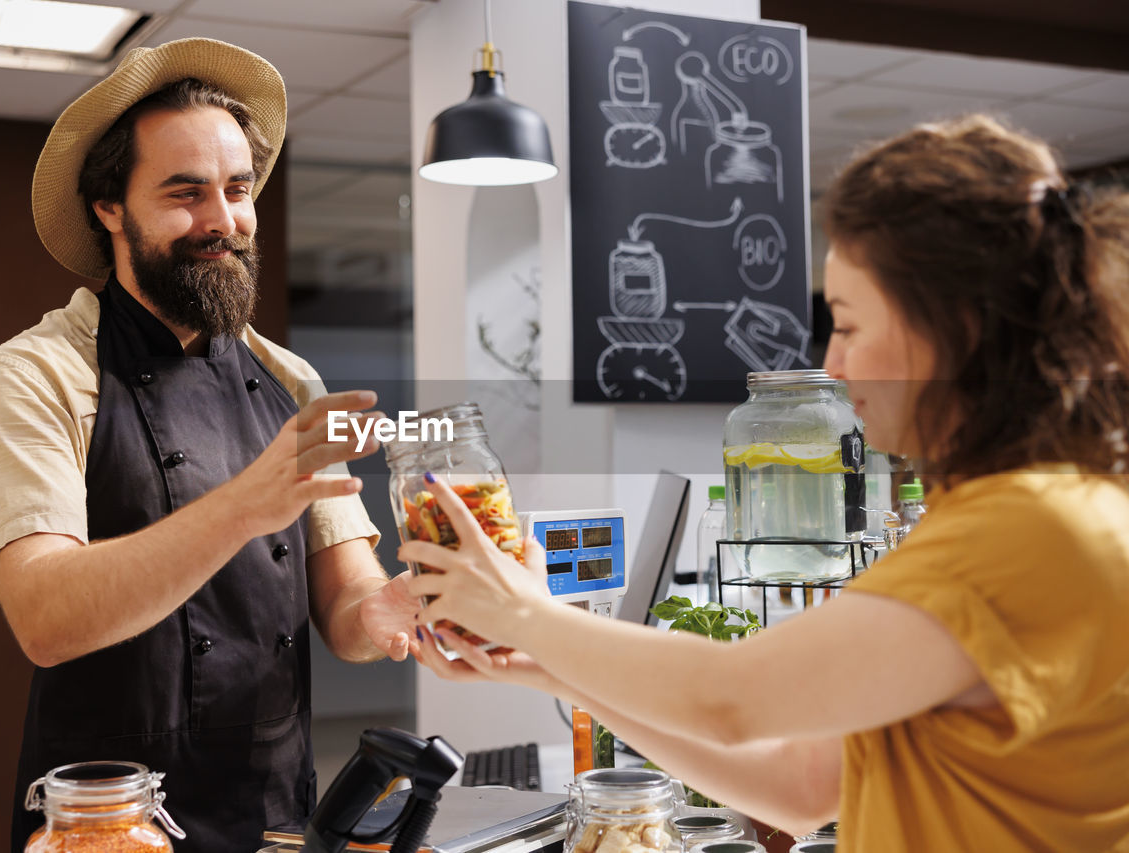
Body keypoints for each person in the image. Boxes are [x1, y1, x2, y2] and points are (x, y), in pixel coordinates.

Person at [406, 115, 1129, 852]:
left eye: (846, 324)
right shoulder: (1018, 510)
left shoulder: (1027, 530)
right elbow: (801, 783)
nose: (834, 364)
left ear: (956, 328)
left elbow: (734, 697)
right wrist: (546, 663)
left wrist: (528, 615)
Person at [0, 39, 418, 853]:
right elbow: (45, 617)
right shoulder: (37, 376)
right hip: (104, 829)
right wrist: (246, 503)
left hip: (277, 821)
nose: (223, 221)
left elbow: (347, 612)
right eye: (185, 193)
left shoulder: (292, 380)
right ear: (110, 207)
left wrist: (394, 608)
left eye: (238, 189)